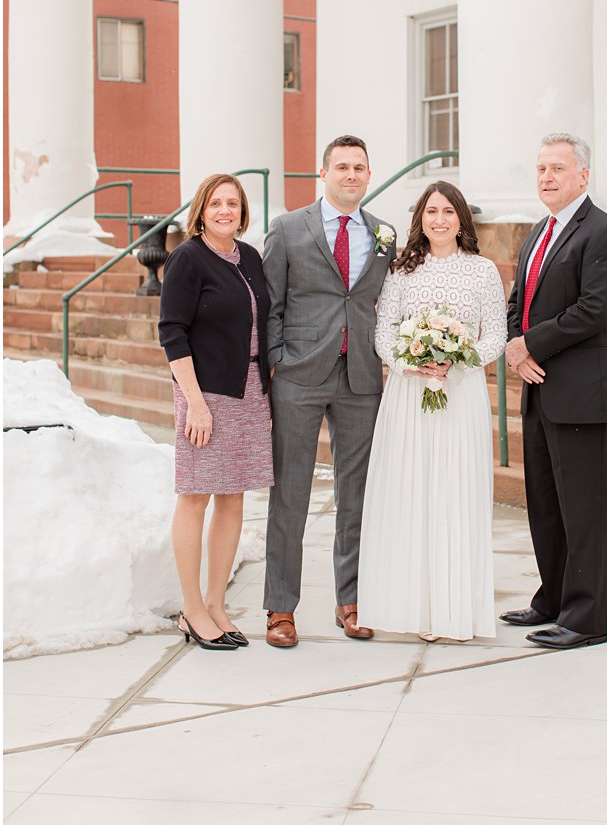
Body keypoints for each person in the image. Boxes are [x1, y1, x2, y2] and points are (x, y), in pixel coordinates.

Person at [261, 134, 396, 648]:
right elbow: (269, 303)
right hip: (299, 375)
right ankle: (280, 609)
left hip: (361, 377)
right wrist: (277, 360)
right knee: (289, 494)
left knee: (357, 494)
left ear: (368, 174)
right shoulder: (289, 228)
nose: (351, 175)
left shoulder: (384, 233)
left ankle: (352, 600)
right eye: (342, 167)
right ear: (324, 174)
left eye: (360, 167)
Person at [357, 182, 507, 641]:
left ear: (462, 218)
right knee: (414, 492)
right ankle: (416, 606)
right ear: (419, 219)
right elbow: (383, 333)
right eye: (430, 212)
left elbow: (495, 335)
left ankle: (454, 609)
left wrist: (456, 361)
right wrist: (412, 363)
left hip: (460, 396)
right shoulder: (403, 272)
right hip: (409, 396)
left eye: (447, 211)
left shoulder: (483, 272)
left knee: (455, 491)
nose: (439, 220)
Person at [499, 133, 607, 651]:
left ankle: (585, 617)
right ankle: (551, 597)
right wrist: (514, 342)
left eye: (557, 167)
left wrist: (530, 343)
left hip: (581, 393)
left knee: (584, 509)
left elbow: (593, 310)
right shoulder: (538, 232)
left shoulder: (604, 233)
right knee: (545, 504)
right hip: (538, 388)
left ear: (583, 175)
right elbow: (519, 300)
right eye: (540, 169)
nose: (547, 177)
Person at [158, 173, 274, 651]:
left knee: (233, 497)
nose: (225, 210)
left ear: (242, 211)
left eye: (233, 203)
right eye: (216, 203)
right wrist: (196, 404)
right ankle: (192, 609)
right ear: (201, 210)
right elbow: (172, 333)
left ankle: (216, 604)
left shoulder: (249, 257)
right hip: (204, 393)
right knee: (196, 495)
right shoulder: (187, 258)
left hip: (250, 390)